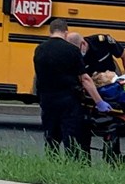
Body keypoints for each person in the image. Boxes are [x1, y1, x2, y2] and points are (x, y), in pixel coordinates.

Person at [32, 20, 111, 157]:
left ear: (50, 31)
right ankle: (71, 164)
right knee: (71, 138)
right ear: (66, 32)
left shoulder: (40, 49)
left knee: (51, 138)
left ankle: (52, 163)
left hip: (47, 100)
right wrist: (99, 102)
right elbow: (85, 79)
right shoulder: (71, 50)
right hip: (68, 100)